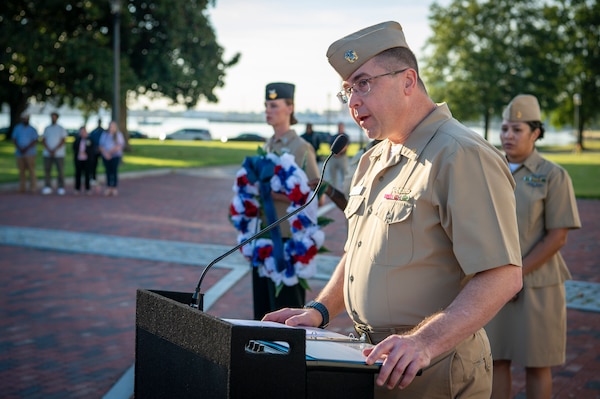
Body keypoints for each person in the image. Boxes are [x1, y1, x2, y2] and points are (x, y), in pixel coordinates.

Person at [264, 21, 523, 398]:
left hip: (435, 367)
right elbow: (359, 253)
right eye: (348, 90)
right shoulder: (374, 160)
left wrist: (424, 342)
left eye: (364, 84)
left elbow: (502, 275)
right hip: (370, 360)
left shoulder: (460, 154)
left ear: (408, 81)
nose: (353, 101)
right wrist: (319, 311)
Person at [486, 94, 581, 399]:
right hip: (492, 284)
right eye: (504, 129)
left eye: (517, 129)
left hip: (537, 285)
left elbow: (557, 237)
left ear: (536, 132)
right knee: (494, 359)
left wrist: (515, 278)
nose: (508, 136)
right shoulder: (489, 170)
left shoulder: (553, 176)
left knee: (537, 365)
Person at [251, 82, 320, 320]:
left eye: (274, 105)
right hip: (264, 238)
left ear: (290, 107)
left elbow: (312, 197)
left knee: (284, 317)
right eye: (266, 106)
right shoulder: (266, 145)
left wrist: (272, 195)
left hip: (288, 243)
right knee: (261, 314)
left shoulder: (301, 148)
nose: (268, 111)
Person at [41, 112, 68, 195]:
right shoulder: (47, 128)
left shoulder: (61, 128)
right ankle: (47, 186)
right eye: (52, 117)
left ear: (57, 118)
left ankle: (61, 187)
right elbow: (43, 140)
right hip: (47, 154)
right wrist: (49, 150)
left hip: (59, 154)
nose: (53, 118)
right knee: (47, 170)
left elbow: (63, 140)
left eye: (54, 117)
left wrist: (55, 150)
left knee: (60, 171)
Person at [12, 113, 39, 194]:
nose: (25, 120)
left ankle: (33, 188)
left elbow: (35, 140)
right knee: (21, 171)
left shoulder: (32, 129)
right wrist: (20, 148)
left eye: (26, 118)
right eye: (24, 118)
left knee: (31, 170)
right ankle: (22, 188)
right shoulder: (17, 128)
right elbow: (14, 138)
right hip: (19, 153)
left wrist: (26, 148)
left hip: (30, 153)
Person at [99, 120, 125, 197]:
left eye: (113, 126)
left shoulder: (118, 135)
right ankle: (108, 187)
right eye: (110, 126)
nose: (112, 128)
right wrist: (106, 154)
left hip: (115, 156)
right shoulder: (105, 135)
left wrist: (110, 152)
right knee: (108, 171)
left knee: (114, 171)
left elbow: (119, 146)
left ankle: (114, 187)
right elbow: (101, 145)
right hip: (106, 156)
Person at [72, 126, 95, 195]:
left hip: (87, 160)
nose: (82, 133)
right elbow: (74, 148)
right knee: (78, 174)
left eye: (83, 131)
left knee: (87, 174)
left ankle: (87, 189)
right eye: (81, 132)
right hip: (78, 160)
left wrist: (86, 152)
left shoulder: (89, 139)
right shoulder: (77, 140)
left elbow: (92, 149)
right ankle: (77, 188)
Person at [326, 122, 350, 191]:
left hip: (342, 158)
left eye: (341, 127)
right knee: (333, 175)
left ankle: (345, 190)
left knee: (345, 175)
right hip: (334, 158)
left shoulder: (346, 136)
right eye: (339, 127)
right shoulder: (334, 136)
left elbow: (346, 146)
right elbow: (330, 145)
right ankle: (334, 191)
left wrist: (338, 152)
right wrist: (335, 153)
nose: (340, 128)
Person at [89, 118, 104, 186]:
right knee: (93, 165)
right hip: (95, 151)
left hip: (103, 151)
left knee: (106, 165)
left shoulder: (104, 132)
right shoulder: (94, 131)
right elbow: (90, 140)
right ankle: (93, 178)